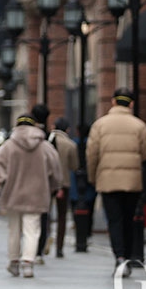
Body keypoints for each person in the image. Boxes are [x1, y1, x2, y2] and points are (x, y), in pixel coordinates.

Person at [0, 114, 62, 278]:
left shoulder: (8, 147)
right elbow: (55, 170)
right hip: (37, 194)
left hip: (13, 194)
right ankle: (28, 262)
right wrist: (56, 187)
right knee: (32, 230)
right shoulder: (45, 147)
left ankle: (13, 261)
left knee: (14, 229)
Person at [86, 88, 146, 276]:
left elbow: (92, 154)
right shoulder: (139, 126)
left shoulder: (100, 125)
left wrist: (92, 177)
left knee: (114, 221)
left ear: (113, 102)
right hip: (132, 181)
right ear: (131, 104)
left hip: (108, 181)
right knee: (128, 220)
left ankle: (119, 257)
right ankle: (127, 257)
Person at [48, 117, 80, 259]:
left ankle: (45, 238)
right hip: (63, 183)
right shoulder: (70, 144)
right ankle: (59, 248)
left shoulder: (46, 142)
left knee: (45, 213)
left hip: (48, 182)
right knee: (62, 216)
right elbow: (74, 166)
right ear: (67, 129)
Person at [31, 104, 53, 263]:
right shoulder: (49, 137)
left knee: (27, 217)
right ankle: (39, 250)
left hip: (26, 181)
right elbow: (54, 162)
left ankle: (29, 248)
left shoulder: (26, 134)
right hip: (44, 182)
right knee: (43, 216)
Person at [70, 123, 97, 252]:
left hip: (76, 184)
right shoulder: (92, 144)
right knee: (90, 210)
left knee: (76, 210)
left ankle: (80, 235)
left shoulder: (74, 144)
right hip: (90, 184)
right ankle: (87, 233)